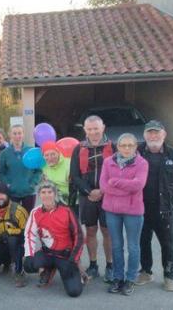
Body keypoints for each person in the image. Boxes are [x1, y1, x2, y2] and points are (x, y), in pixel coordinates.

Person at [136, 120, 173, 292]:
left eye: (156, 132)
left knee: (167, 244)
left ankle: (169, 276)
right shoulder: (136, 152)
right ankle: (146, 271)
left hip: (165, 209)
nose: (153, 136)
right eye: (150, 133)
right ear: (144, 135)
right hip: (141, 208)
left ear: (164, 134)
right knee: (143, 241)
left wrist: (171, 200)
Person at [100, 133, 148, 296]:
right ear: (117, 147)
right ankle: (118, 278)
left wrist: (115, 183)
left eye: (130, 145)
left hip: (133, 211)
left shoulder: (142, 163)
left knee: (133, 246)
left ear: (136, 147)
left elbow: (138, 185)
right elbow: (104, 186)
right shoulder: (108, 162)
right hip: (112, 211)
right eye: (123, 145)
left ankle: (130, 279)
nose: (126, 148)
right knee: (116, 246)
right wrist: (125, 189)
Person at [69, 115, 115, 282]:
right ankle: (93, 265)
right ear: (85, 130)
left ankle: (110, 266)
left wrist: (102, 191)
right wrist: (89, 191)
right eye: (90, 129)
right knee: (90, 231)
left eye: (96, 128)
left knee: (107, 231)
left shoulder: (113, 146)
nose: (93, 132)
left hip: (108, 196)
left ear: (103, 128)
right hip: (87, 196)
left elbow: (118, 172)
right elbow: (74, 175)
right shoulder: (78, 148)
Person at [24, 181, 85, 298]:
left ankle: (77, 272)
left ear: (55, 193)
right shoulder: (35, 212)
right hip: (47, 253)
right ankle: (48, 269)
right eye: (43, 192)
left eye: (50, 192)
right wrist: (29, 255)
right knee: (28, 265)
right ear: (39, 195)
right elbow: (29, 234)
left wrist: (73, 259)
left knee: (74, 292)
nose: (46, 195)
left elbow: (79, 236)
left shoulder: (67, 211)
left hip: (66, 256)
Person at [0, 182, 29, 287]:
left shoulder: (19, 210)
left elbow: (27, 232)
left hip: (19, 244)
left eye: (1, 194)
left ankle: (19, 270)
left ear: (7, 195)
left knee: (12, 240)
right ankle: (7, 261)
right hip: (2, 242)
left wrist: (10, 232)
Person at [0, 125, 40, 213]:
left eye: (19, 133)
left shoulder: (31, 151)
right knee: (13, 217)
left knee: (28, 217)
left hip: (29, 192)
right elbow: (1, 172)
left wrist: (33, 183)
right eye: (15, 133)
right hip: (12, 192)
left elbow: (38, 171)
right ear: (10, 135)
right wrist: (7, 184)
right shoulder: (4, 153)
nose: (17, 136)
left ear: (23, 134)